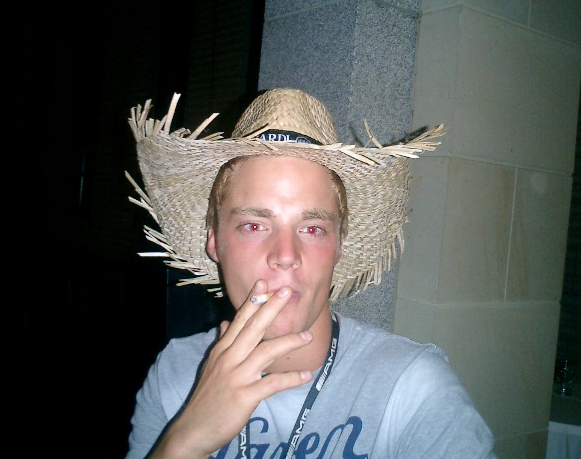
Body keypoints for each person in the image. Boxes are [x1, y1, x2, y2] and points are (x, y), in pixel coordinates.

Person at [125, 88, 497, 458]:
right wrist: (185, 442)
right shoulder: (175, 376)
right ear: (214, 241)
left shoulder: (413, 390)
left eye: (312, 228)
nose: (286, 256)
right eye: (254, 225)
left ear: (339, 246)